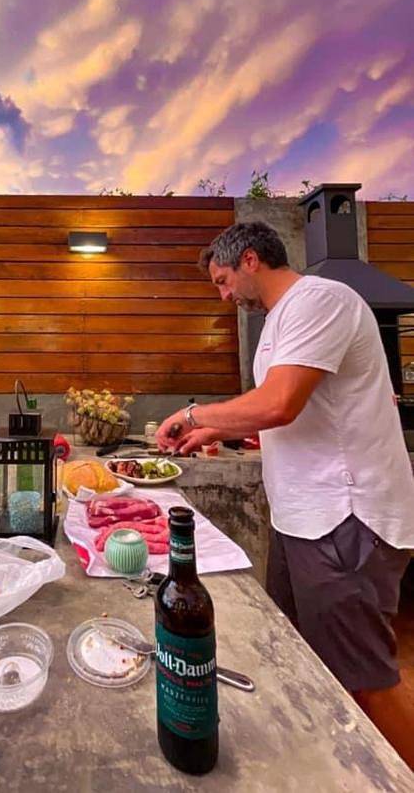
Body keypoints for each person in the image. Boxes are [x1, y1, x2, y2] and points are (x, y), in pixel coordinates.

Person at [156, 221, 414, 768]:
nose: (224, 296)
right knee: (302, 660)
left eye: (223, 281)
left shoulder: (320, 300)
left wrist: (194, 414)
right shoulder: (281, 320)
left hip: (345, 518)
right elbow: (288, 412)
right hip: (302, 521)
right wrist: (214, 431)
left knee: (363, 682)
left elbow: (280, 403)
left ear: (250, 259)